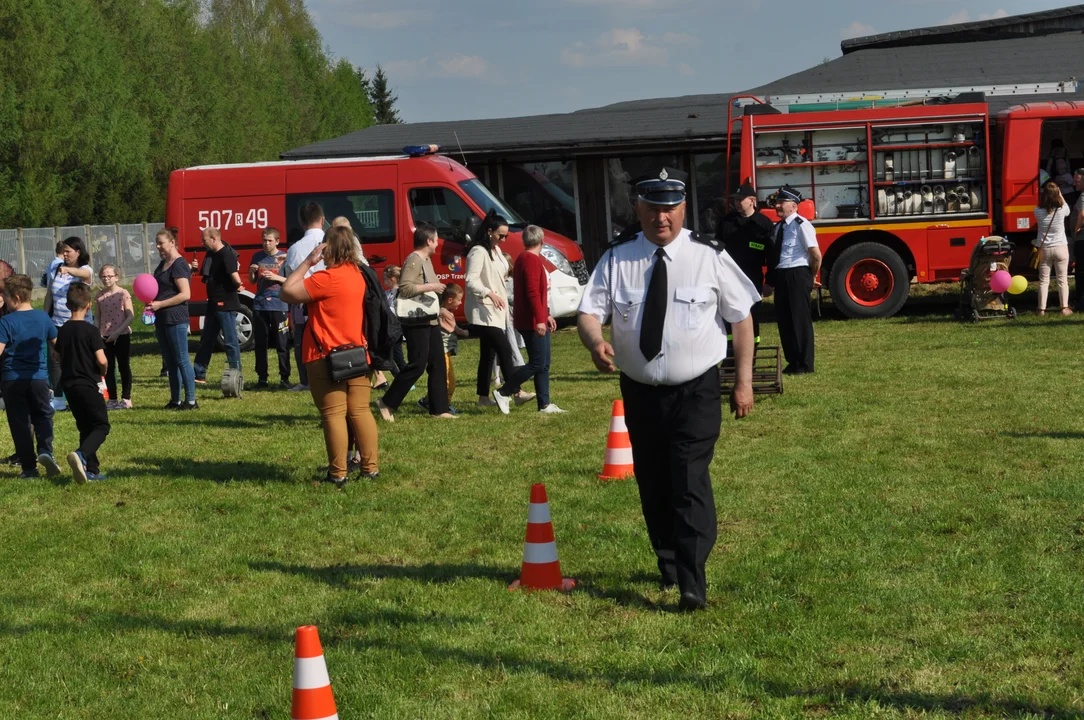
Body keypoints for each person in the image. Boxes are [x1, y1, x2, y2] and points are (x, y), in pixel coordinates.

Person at [577, 167, 759, 612]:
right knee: (654, 482)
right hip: (640, 392)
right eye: (653, 209)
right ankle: (669, 561)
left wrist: (744, 382)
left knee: (688, 478)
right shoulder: (618, 258)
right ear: (638, 210)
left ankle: (692, 582)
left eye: (670, 209)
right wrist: (595, 341)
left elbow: (741, 319)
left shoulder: (709, 256)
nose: (662, 218)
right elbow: (588, 311)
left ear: (683, 210)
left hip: (695, 391)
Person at [280, 225, 379, 487]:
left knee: (333, 414)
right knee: (360, 411)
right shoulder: (359, 275)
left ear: (328, 249)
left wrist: (307, 262)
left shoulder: (325, 278)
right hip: (358, 353)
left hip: (325, 356)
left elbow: (286, 291)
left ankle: (338, 473)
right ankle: (370, 468)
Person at [377, 224, 454, 421]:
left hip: (429, 319)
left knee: (437, 363)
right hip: (417, 321)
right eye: (436, 240)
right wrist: (432, 286)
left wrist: (440, 309)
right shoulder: (414, 260)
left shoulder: (426, 260)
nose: (438, 244)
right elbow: (405, 288)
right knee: (417, 365)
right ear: (428, 241)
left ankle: (440, 409)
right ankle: (387, 402)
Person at [0, 274, 61, 478]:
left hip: (12, 380)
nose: (4, 302)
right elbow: (57, 346)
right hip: (39, 378)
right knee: (43, 416)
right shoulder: (43, 318)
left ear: (16, 298)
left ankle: (29, 468)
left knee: (20, 422)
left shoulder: (6, 322)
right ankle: (45, 451)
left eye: (6, 297)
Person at [500, 225, 565, 414]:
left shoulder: (525, 259)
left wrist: (546, 314)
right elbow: (532, 292)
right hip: (530, 321)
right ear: (542, 241)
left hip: (534, 317)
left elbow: (537, 293)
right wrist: (539, 319)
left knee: (544, 363)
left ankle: (544, 403)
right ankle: (504, 391)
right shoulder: (530, 260)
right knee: (536, 362)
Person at [465, 211, 521, 414]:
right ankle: (514, 391)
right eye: (501, 235)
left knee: (488, 355)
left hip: (497, 311)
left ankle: (482, 397)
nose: (504, 239)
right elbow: (471, 280)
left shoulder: (496, 250)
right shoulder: (478, 251)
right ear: (489, 232)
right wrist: (490, 293)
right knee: (505, 350)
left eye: (506, 236)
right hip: (483, 311)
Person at [55, 282, 110, 483]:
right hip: (89, 384)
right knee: (101, 426)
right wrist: (102, 371)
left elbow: (56, 356)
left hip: (69, 385)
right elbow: (102, 359)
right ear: (88, 305)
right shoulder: (91, 331)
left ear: (68, 306)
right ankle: (81, 454)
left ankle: (91, 470)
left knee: (86, 427)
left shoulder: (63, 330)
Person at [764, 185, 820, 374]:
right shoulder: (778, 227)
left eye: (781, 202)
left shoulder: (801, 224)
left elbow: (815, 254)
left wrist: (811, 276)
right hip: (782, 275)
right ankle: (793, 361)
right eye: (777, 202)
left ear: (794, 206)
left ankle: (805, 364)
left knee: (799, 320)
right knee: (785, 320)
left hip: (797, 273)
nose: (777, 206)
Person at [717, 183, 774, 348]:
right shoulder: (727, 222)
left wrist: (769, 282)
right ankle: (730, 356)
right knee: (729, 316)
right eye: (735, 200)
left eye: (740, 200)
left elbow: (772, 255)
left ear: (752, 201)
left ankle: (751, 357)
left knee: (752, 316)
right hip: (729, 277)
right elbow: (717, 250)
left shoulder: (763, 224)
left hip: (752, 277)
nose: (736, 203)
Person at [146, 228, 197, 410]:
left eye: (161, 243)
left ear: (172, 243)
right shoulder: (162, 265)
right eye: (157, 243)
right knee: (169, 360)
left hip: (176, 318)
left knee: (182, 359)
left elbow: (185, 294)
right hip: (162, 318)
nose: (158, 246)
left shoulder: (179, 264)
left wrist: (160, 304)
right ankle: (175, 399)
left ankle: (191, 400)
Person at [283, 202, 326, 392]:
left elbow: (290, 280)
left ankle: (305, 380)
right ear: (323, 220)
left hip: (303, 302)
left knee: (302, 342)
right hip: (328, 300)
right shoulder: (332, 242)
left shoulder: (294, 249)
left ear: (301, 222)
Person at [191, 228, 243, 382]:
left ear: (214, 238)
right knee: (206, 339)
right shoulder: (210, 255)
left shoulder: (227, 254)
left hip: (226, 304)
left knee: (230, 342)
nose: (202, 243)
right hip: (213, 303)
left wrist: (238, 284)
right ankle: (199, 374)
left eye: (204, 240)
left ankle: (236, 375)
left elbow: (235, 277)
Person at [249, 228, 291, 389]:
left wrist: (275, 277)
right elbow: (253, 282)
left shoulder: (284, 257)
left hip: (279, 304)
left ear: (277, 241)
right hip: (260, 304)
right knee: (260, 343)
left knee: (282, 343)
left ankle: (284, 378)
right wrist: (252, 272)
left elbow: (290, 280)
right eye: (264, 240)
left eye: (270, 240)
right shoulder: (258, 256)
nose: (266, 243)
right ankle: (262, 378)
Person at [94, 265, 134, 409]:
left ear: (116, 277)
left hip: (122, 334)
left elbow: (130, 316)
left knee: (124, 366)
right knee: (108, 367)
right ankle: (112, 398)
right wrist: (97, 332)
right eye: (103, 276)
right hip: (105, 336)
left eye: (109, 276)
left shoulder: (123, 293)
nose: (106, 279)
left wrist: (118, 332)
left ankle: (126, 397)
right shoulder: (99, 296)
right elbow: (98, 316)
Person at [1034, 181, 1072, 316]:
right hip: (1061, 247)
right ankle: (1064, 308)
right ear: (1057, 194)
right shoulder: (1062, 210)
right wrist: (1059, 193)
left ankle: (1041, 310)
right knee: (1062, 279)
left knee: (1044, 281)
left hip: (1045, 248)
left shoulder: (1037, 211)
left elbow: (1046, 208)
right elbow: (1067, 209)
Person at [45, 236, 94, 327]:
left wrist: (68, 270)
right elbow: (49, 294)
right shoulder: (57, 268)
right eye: (63, 251)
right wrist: (45, 315)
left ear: (78, 252)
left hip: (80, 324)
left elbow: (85, 274)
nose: (64, 254)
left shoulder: (85, 269)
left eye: (68, 251)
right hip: (57, 323)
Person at [438, 284, 469, 413]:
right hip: (443, 352)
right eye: (459, 299)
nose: (461, 303)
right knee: (449, 381)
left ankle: (428, 400)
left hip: (445, 352)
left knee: (442, 378)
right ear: (450, 300)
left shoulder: (443, 311)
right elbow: (455, 330)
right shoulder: (445, 314)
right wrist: (466, 332)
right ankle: (446, 404)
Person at [381, 265, 406, 381]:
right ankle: (402, 378)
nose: (383, 281)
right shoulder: (387, 293)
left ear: (392, 279)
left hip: (395, 330)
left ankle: (405, 379)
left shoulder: (401, 293)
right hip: (389, 329)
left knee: (395, 356)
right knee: (392, 356)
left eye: (385, 279)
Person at [1071, 169, 1084, 308]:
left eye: (1078, 181)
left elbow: (1083, 214)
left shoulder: (1083, 196)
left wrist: (1076, 229)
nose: (1074, 183)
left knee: (1081, 272)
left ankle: (1081, 302)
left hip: (1082, 240)